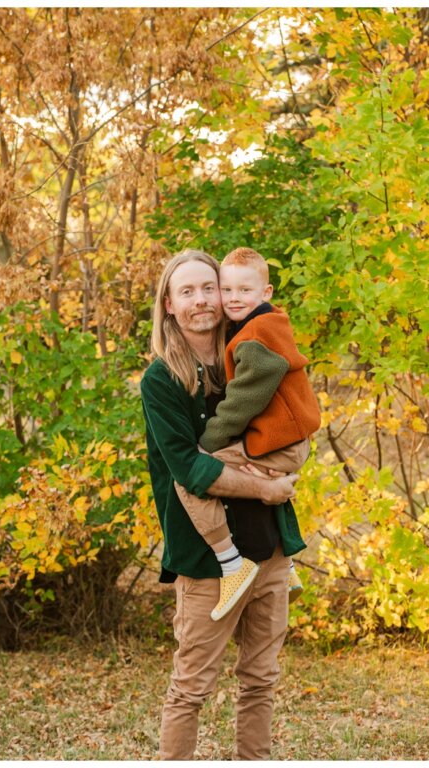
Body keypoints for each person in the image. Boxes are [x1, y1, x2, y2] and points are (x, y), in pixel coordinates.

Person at [141, 249, 306, 760]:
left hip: (270, 548)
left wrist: (280, 474)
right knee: (191, 689)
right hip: (210, 562)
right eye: (186, 292)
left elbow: (288, 422)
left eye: (207, 288)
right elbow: (190, 470)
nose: (202, 301)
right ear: (169, 304)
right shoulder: (161, 380)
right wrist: (263, 487)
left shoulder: (247, 350)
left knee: (261, 681)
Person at [172, 247, 320, 621]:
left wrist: (210, 441)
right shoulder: (266, 324)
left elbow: (245, 398)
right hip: (287, 439)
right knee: (255, 478)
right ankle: (284, 568)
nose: (234, 298)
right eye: (227, 290)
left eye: (245, 291)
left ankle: (230, 562)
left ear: (266, 293)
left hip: (281, 442)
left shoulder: (255, 336)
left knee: (194, 478)